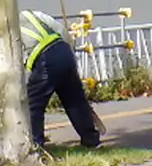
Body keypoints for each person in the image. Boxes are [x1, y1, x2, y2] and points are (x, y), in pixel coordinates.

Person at [20, 9, 103, 150]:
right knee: (75, 100)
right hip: (63, 50)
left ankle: (36, 145)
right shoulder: (31, 14)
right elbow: (61, 30)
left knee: (32, 105)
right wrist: (69, 55)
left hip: (45, 59)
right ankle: (91, 140)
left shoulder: (5, 31)